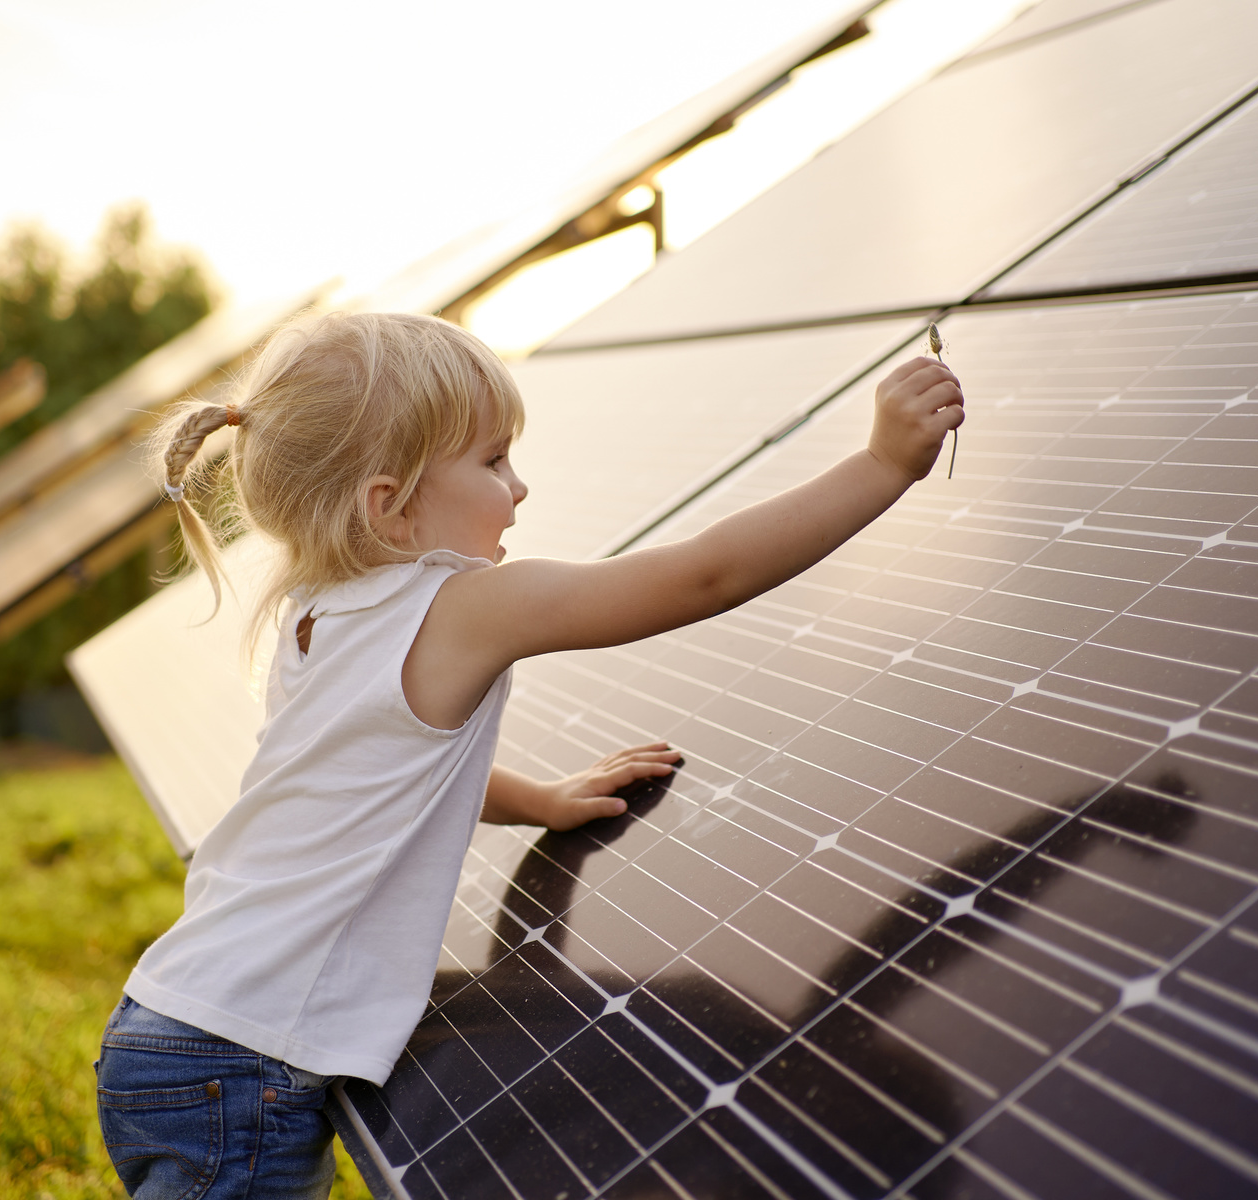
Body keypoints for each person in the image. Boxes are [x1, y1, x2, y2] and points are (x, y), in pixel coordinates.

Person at [94, 311, 963, 1199]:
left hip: (171, 1028)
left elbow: (379, 780)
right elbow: (700, 575)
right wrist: (881, 467)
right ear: (389, 505)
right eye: (491, 460)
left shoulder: (317, 613)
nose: (519, 487)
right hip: (244, 1069)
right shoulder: (466, 607)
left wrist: (540, 802)